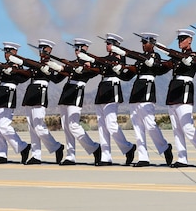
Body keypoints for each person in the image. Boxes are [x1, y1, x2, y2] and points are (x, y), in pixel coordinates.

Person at [163, 29, 196, 168]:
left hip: (185, 90)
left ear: (190, 40)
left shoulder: (193, 55)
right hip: (173, 90)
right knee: (176, 128)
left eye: (183, 39)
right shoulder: (177, 56)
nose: (180, 42)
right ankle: (182, 158)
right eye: (179, 40)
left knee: (187, 126)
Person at [128, 33, 174, 167]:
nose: (143, 45)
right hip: (136, 90)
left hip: (147, 90)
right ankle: (143, 157)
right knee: (137, 126)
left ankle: (164, 147)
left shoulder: (155, 56)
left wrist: (151, 63)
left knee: (149, 123)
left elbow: (160, 69)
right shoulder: (139, 59)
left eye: (145, 42)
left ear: (152, 44)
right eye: (142, 43)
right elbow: (132, 72)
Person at [56, 38, 102, 165]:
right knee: (66, 127)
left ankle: (94, 147)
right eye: (76, 48)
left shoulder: (90, 63)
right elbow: (60, 74)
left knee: (73, 125)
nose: (77, 50)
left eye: (80, 47)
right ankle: (70, 156)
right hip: (66, 93)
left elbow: (96, 71)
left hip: (77, 92)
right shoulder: (72, 63)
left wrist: (85, 67)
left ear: (86, 48)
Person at [94, 33, 137, 166]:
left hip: (113, 90)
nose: (107, 45)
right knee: (102, 126)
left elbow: (124, 72)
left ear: (116, 45)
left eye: (110, 43)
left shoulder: (120, 58)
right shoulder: (107, 59)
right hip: (102, 90)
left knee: (111, 123)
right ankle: (106, 157)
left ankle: (128, 147)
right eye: (107, 43)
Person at [19, 39, 65, 164]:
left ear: (50, 51)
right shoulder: (37, 64)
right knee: (32, 127)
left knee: (39, 126)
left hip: (40, 93)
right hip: (30, 94)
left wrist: (50, 70)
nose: (42, 52)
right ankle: (36, 155)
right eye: (40, 50)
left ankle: (56, 146)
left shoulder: (52, 65)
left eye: (44, 50)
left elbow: (57, 79)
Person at [0, 42, 31, 165]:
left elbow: (24, 78)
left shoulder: (18, 67)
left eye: (9, 52)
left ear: (15, 53)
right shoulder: (4, 66)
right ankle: (2, 154)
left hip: (8, 94)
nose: (6, 54)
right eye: (5, 52)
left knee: (3, 125)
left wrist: (12, 71)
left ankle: (22, 146)